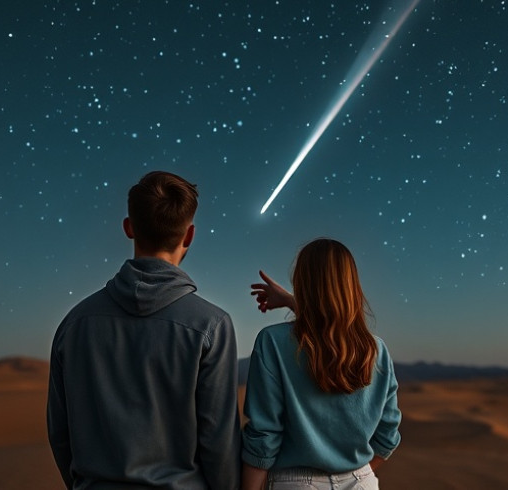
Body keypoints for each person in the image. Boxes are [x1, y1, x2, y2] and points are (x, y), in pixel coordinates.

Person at [47, 171, 241, 490]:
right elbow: (219, 443)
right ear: (190, 235)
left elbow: (60, 432)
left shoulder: (74, 323)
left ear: (129, 227)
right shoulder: (212, 325)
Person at [241, 238, 401, 490]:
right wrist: (354, 475)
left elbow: (264, 434)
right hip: (362, 482)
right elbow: (388, 434)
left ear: (301, 283)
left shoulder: (272, 341)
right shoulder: (376, 349)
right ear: (352, 285)